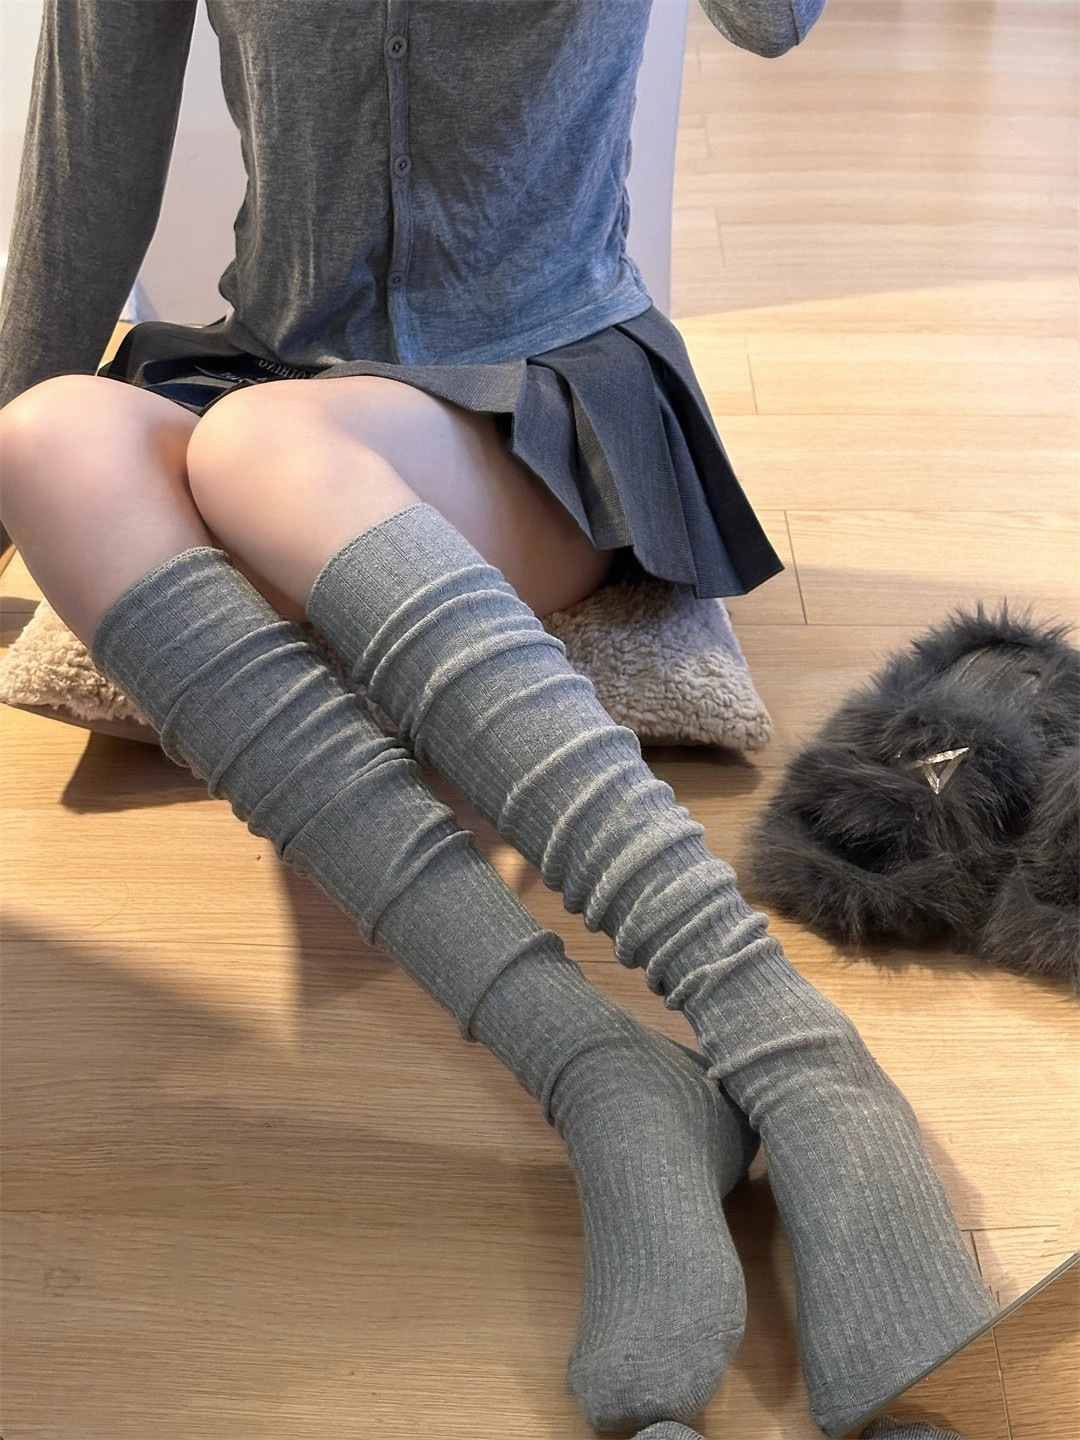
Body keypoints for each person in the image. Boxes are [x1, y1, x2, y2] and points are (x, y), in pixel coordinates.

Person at [0, 2, 996, 1434]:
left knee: (265, 451)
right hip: (269, 365)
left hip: (541, 396)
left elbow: (772, 21)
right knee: (49, 439)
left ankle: (793, 1048)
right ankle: (601, 1072)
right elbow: (88, 152)